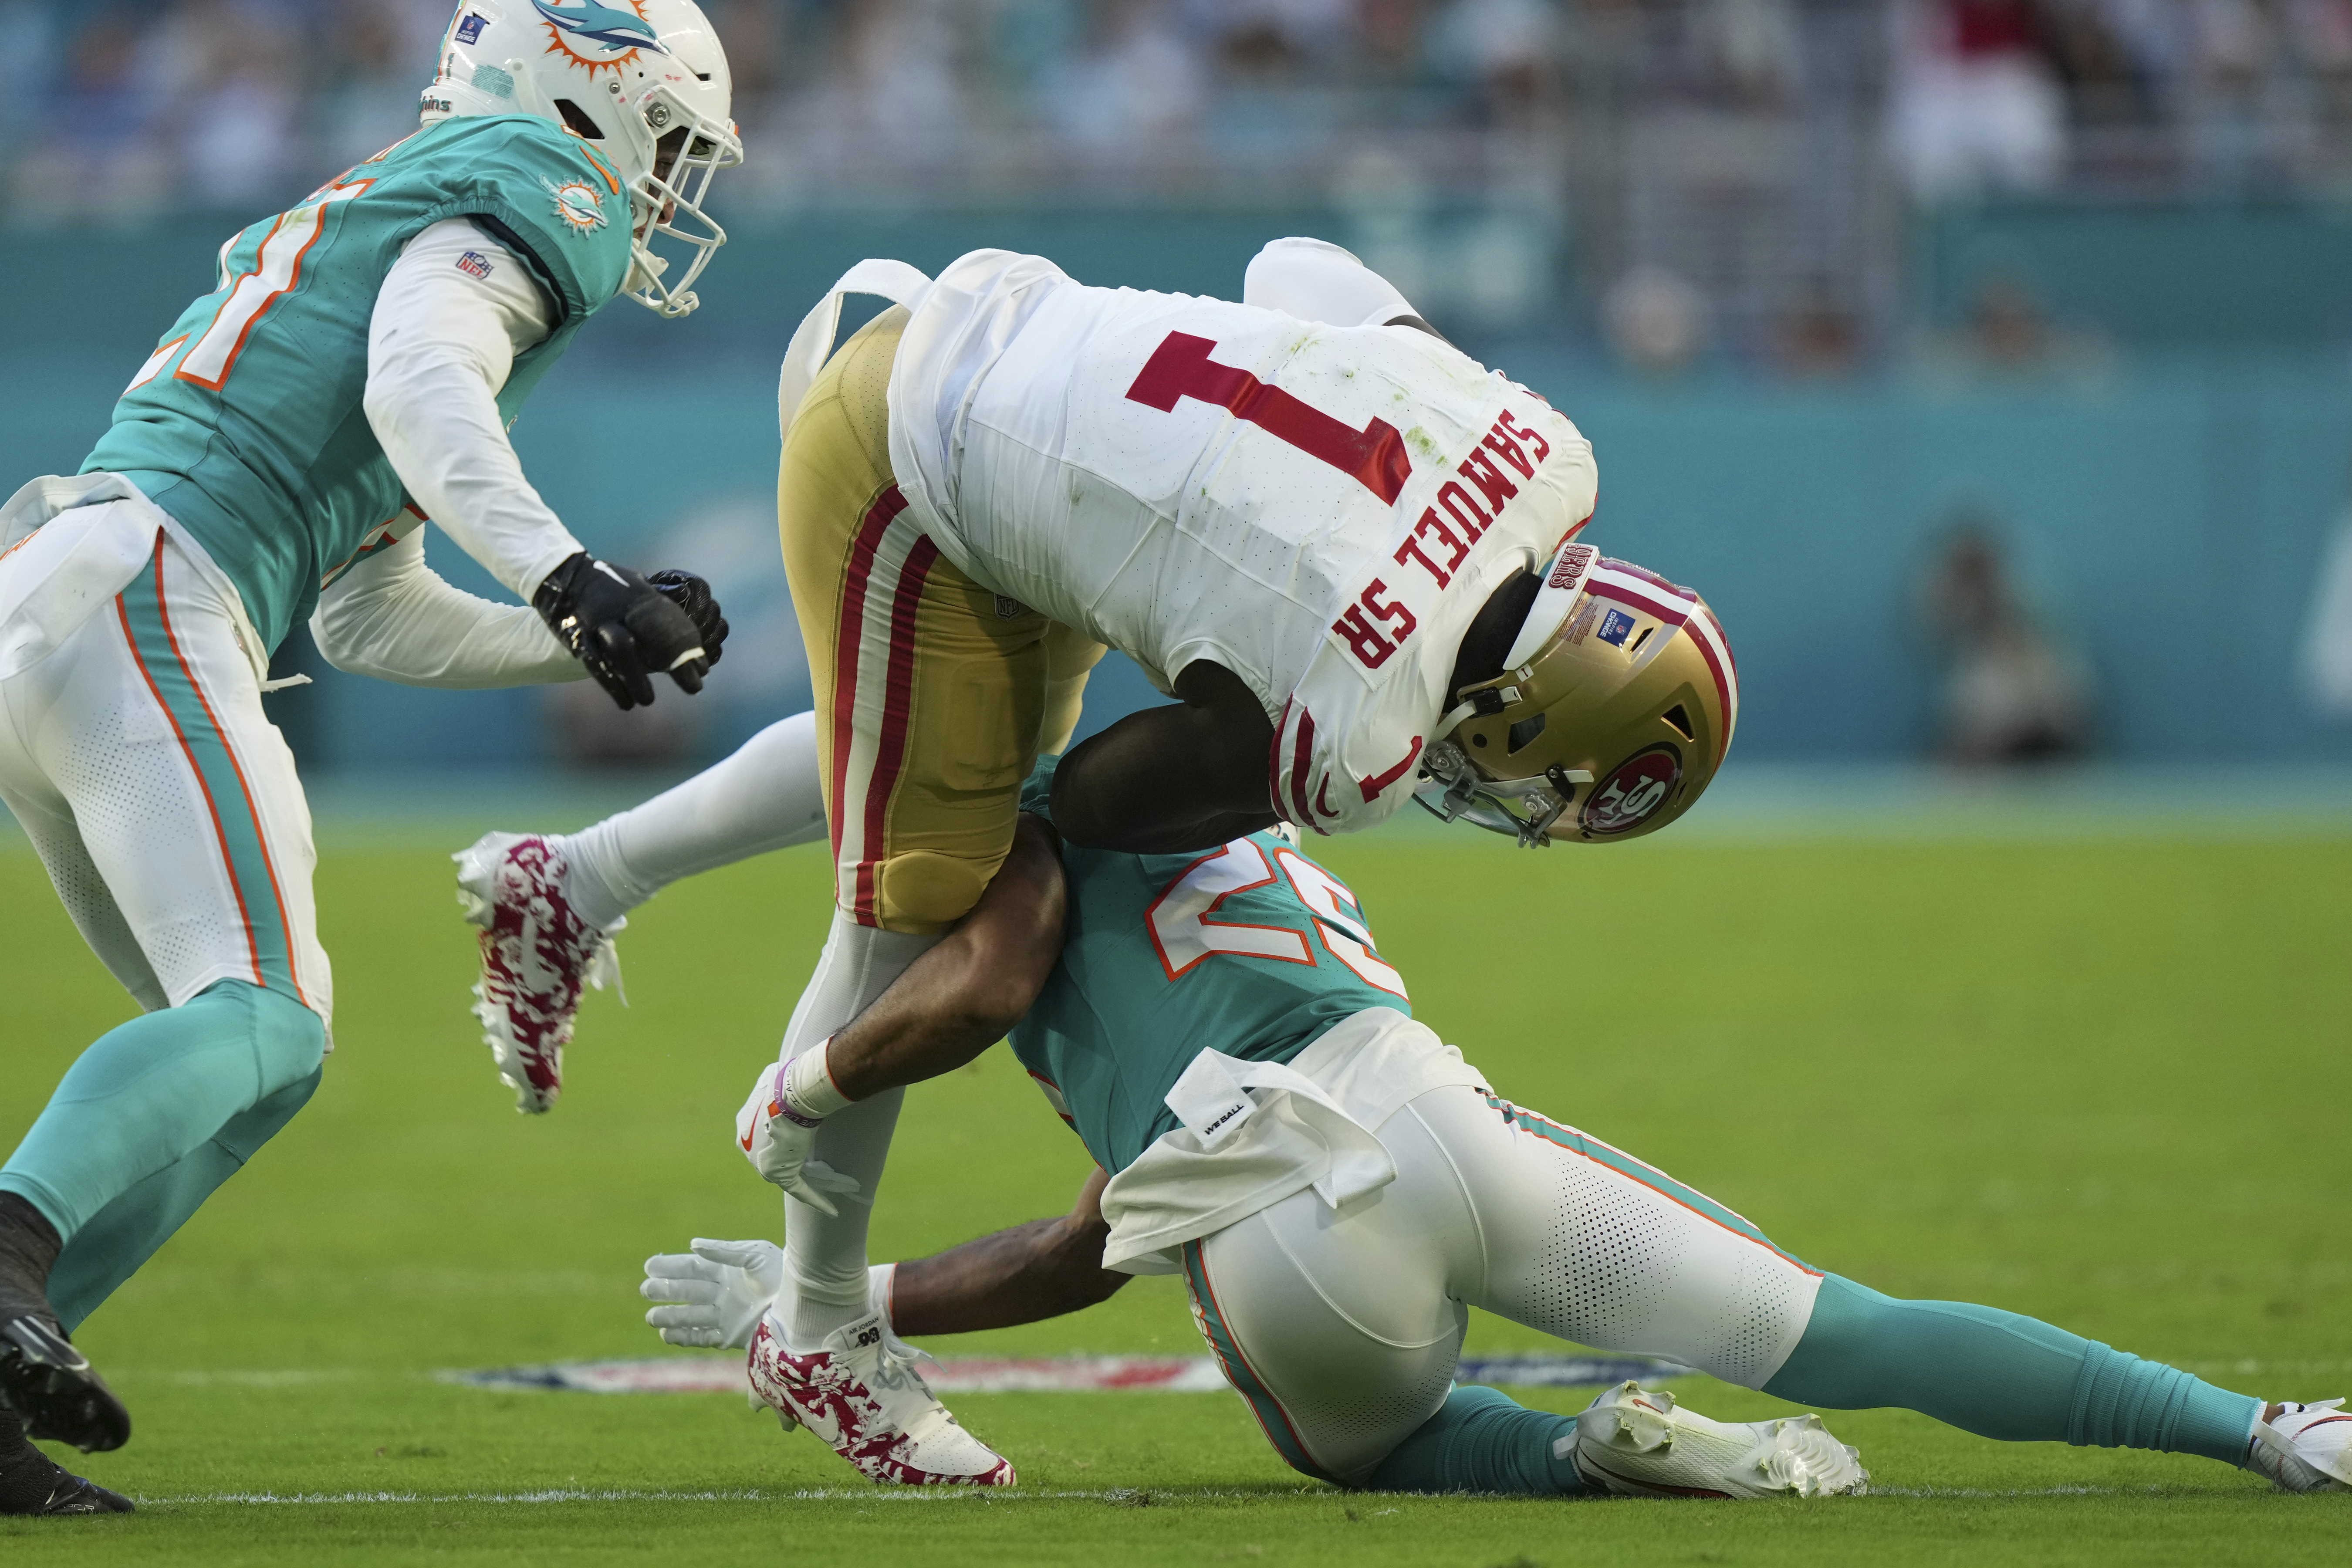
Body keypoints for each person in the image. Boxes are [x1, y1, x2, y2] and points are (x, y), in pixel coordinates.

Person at [459, 237, 1741, 1477]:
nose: (1516, 794)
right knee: (922, 887)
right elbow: (1100, 801)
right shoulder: (1369, 727)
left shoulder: (1531, 443)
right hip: (916, 466)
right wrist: (820, 1089)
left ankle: (574, 881)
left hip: (1017, 342)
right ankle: (823, 1324)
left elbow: (1295, 265)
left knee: (922, 756)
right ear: (1552, 707)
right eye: (1547, 781)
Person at [643, 754, 2352, 1498]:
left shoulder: (1025, 805)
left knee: (1357, 1448)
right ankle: (2271, 1434)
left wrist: (836, 1267)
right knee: (1845, 1329)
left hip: (1261, 1230)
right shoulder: (1237, 805)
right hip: (1420, 1115)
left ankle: (1568, 1458)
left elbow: (1023, 1035)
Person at [0, 2, 743, 1517]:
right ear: (590, 89)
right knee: (263, 1017)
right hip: (153, 584)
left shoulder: (404, 197)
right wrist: (572, 577)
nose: (668, 181)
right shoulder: (540, 181)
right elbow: (422, 389)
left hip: (93, 585)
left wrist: (585, 630)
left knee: (253, 1065)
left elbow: (366, 611)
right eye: (667, 134)